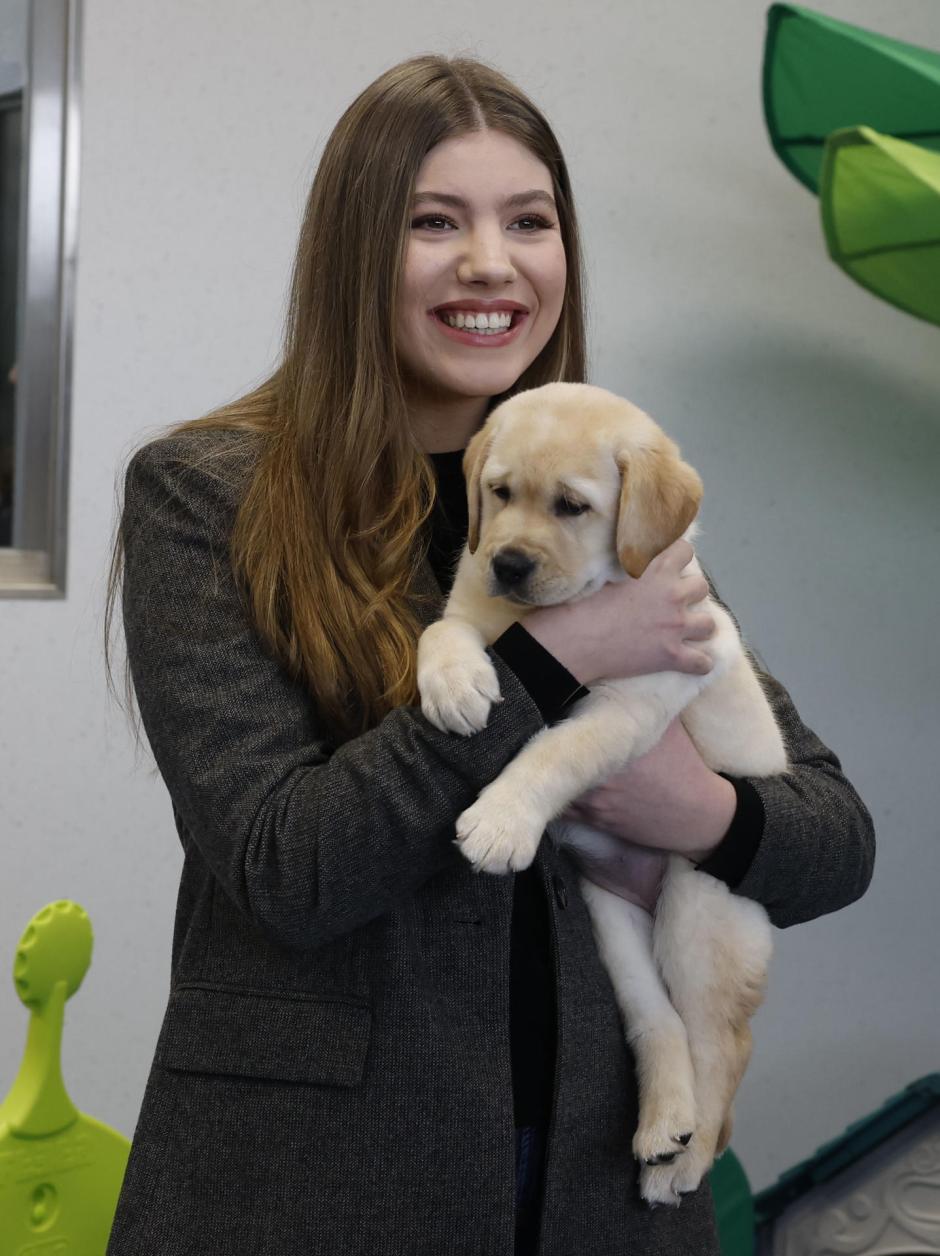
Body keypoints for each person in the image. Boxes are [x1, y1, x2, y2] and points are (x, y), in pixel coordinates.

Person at [104, 55, 875, 1256]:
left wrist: (695, 807)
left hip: (595, 1187)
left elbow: (834, 840)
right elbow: (289, 868)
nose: (489, 263)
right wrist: (552, 662)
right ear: (356, 252)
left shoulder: (611, 502)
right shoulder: (208, 495)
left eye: (530, 221)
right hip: (312, 1187)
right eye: (432, 222)